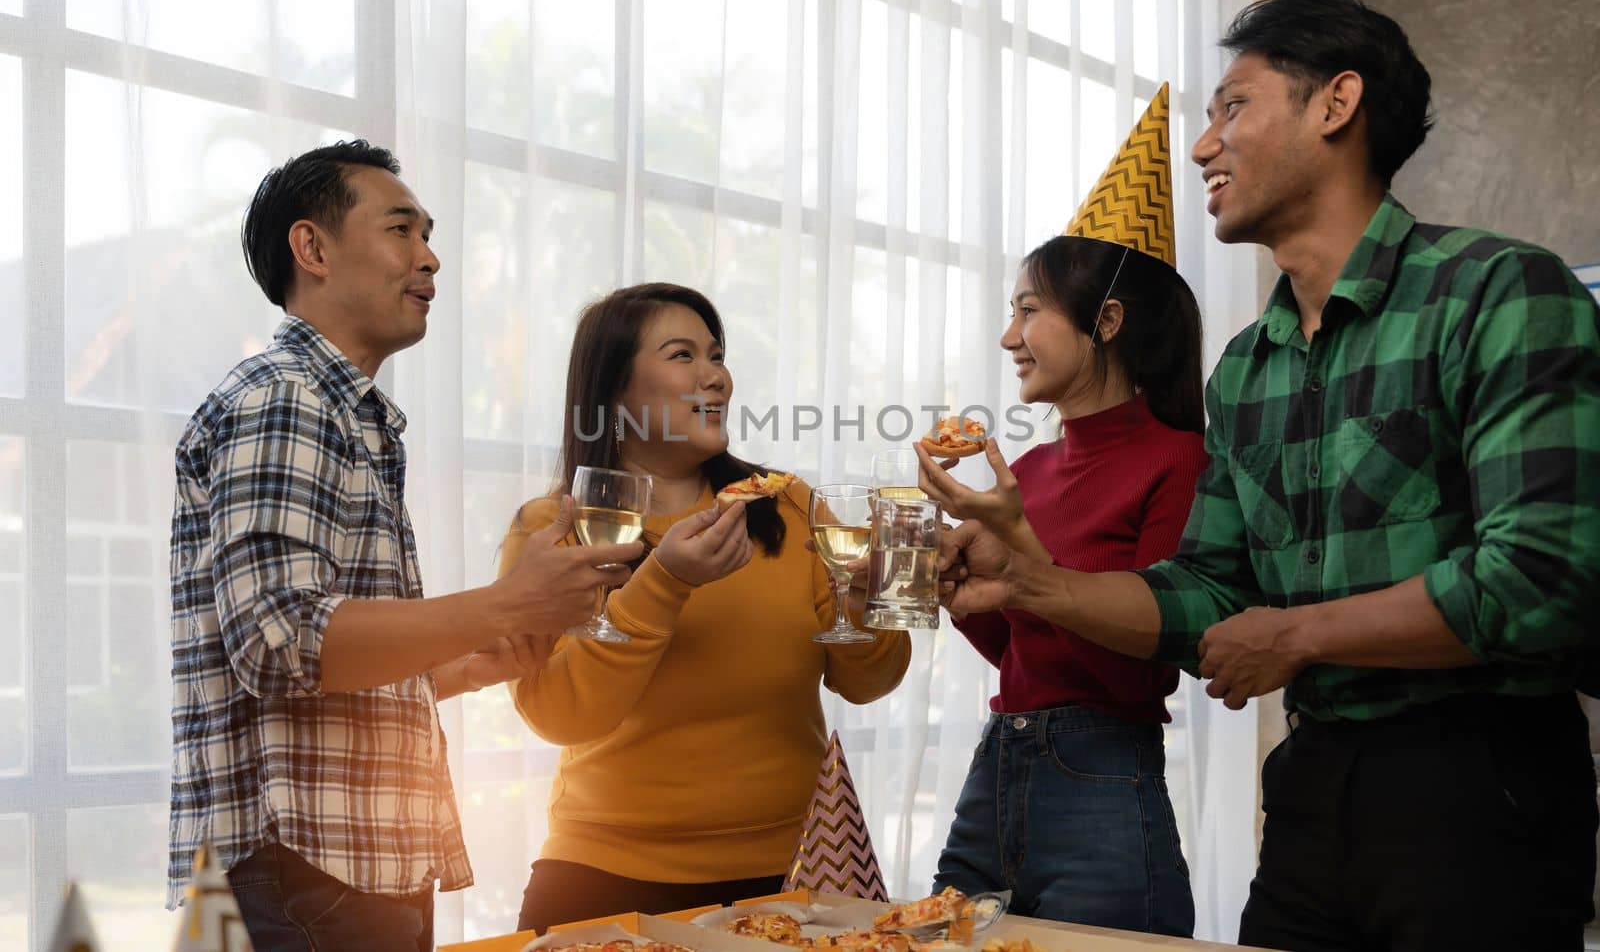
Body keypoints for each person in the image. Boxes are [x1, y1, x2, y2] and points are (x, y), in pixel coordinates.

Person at [940, 0, 1600, 951]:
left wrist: (1296, 633)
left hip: (1478, 780)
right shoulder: (1248, 365)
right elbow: (1208, 589)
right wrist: (1035, 584)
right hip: (1308, 788)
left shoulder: (1497, 290)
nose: (1204, 146)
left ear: (1335, 104)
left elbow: (1543, 580)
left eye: (1232, 108)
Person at [168, 141, 643, 952]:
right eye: (402, 230)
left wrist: (468, 661)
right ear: (312, 248)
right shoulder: (287, 400)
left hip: (326, 876)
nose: (430, 258)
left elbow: (319, 667)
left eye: (428, 235)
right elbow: (279, 642)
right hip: (304, 881)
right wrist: (506, 600)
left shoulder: (341, 412)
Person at [500, 282, 912, 932]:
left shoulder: (786, 505)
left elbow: (870, 681)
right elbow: (559, 712)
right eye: (682, 355)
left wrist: (865, 603)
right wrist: (663, 582)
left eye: (716, 355)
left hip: (794, 879)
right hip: (605, 879)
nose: (715, 376)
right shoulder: (552, 527)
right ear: (614, 392)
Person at [915, 86, 1203, 935]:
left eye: (1029, 309)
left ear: (1106, 319)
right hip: (998, 764)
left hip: (1105, 780)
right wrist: (960, 592)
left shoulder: (1176, 458)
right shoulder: (1030, 468)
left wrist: (1023, 558)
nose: (1009, 336)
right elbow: (1022, 652)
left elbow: (1140, 670)